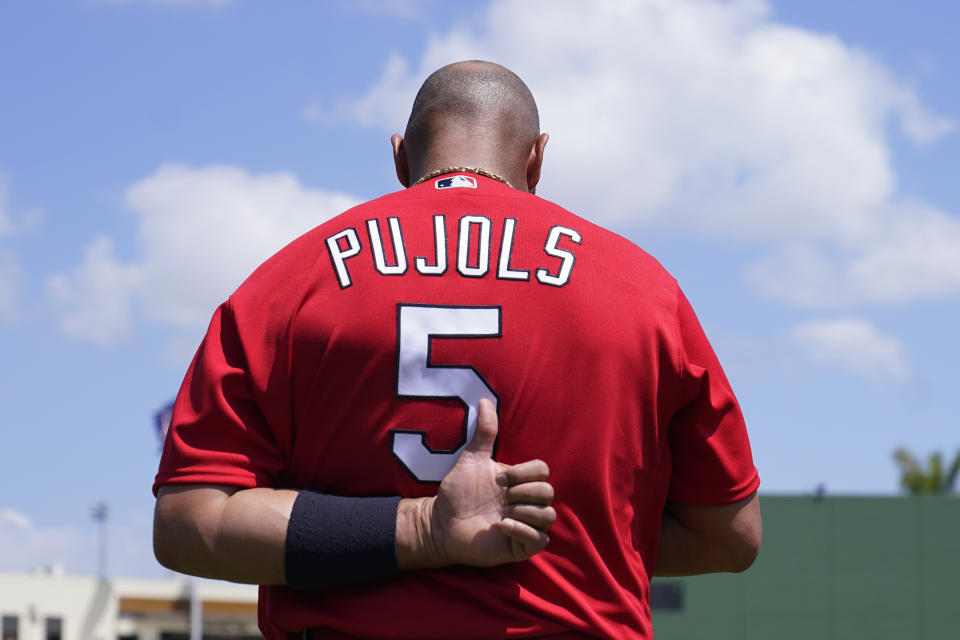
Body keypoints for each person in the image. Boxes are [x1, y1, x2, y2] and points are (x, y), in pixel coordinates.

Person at [153, 60, 761, 639]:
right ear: (537, 157)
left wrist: (417, 532)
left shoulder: (286, 285)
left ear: (399, 157)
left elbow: (190, 523)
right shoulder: (642, 290)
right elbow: (730, 536)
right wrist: (561, 531)